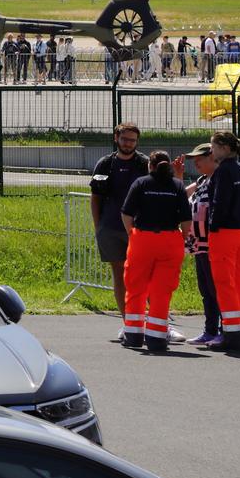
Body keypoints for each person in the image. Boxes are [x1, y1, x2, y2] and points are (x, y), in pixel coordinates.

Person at [119, 149, 189, 352]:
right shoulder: (177, 186)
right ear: (169, 166)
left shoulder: (141, 183)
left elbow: (126, 213)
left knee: (135, 287)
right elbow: (186, 220)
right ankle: (156, 337)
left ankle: (133, 335)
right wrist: (182, 238)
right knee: (162, 291)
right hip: (170, 240)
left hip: (142, 239)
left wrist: (132, 233)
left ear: (149, 165)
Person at [91, 122, 149, 334]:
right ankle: (129, 324)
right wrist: (99, 227)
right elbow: (95, 198)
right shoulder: (105, 164)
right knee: (120, 276)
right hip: (111, 228)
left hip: (140, 230)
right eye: (124, 139)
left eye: (132, 140)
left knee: (146, 276)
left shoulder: (145, 163)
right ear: (116, 138)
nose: (128, 144)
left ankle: (154, 322)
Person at [206, 129, 240, 352]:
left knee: (224, 284)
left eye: (214, 146)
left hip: (224, 232)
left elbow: (219, 202)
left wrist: (212, 228)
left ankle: (232, 335)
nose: (211, 150)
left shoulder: (223, 171)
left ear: (224, 148)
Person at [183, 141, 221, 345]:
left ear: (212, 157)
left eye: (200, 158)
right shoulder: (202, 180)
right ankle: (210, 330)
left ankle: (224, 330)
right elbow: (182, 195)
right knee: (205, 290)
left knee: (217, 289)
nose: (196, 162)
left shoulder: (218, 180)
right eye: (194, 159)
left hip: (213, 244)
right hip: (199, 245)